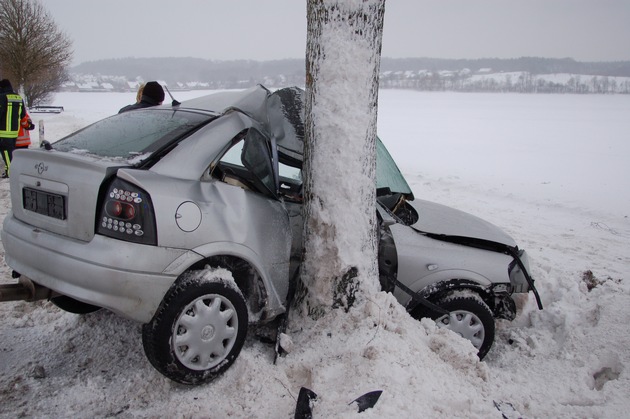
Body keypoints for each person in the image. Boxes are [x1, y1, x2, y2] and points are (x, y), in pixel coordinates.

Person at [0, 79, 26, 178]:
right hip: (14, 131)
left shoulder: (2, 97)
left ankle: (11, 173)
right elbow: (23, 114)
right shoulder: (18, 97)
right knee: (10, 152)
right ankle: (9, 170)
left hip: (3, 131)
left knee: (6, 152)